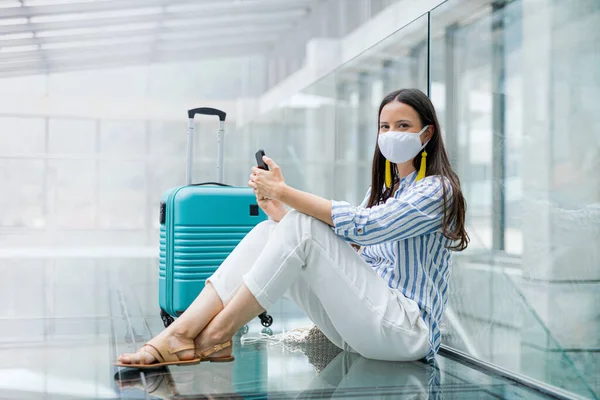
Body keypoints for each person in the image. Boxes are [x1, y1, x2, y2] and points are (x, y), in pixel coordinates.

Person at [115, 88, 469, 368]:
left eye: (403, 126)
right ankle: (185, 330)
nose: (391, 134)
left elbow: (364, 229)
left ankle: (215, 332)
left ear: (427, 134)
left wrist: (285, 193)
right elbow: (346, 254)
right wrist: (281, 211)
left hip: (406, 333)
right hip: (360, 329)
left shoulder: (437, 190)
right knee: (271, 230)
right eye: (384, 126)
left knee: (298, 224)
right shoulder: (383, 192)